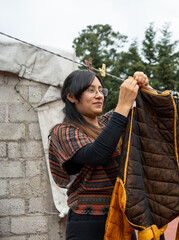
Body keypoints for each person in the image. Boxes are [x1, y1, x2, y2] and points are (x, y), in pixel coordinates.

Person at [48, 69, 150, 240]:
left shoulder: (108, 122)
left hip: (121, 219)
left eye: (101, 90)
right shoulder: (63, 132)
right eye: (91, 90)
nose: (99, 95)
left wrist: (143, 86)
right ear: (71, 97)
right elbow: (97, 154)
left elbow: (144, 111)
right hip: (87, 224)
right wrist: (123, 105)